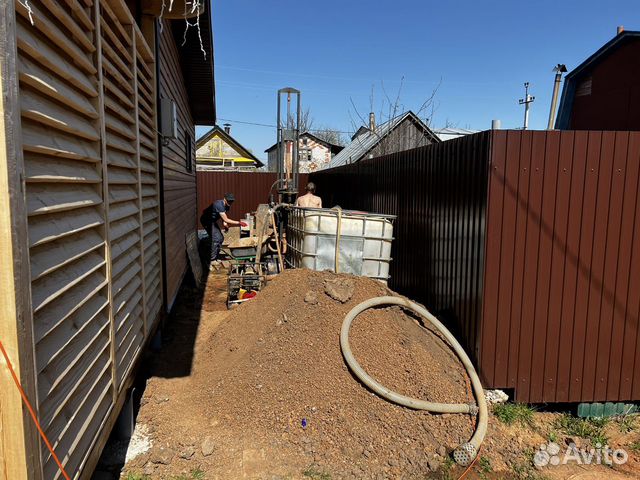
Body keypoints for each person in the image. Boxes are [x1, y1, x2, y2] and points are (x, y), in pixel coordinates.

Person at [203, 193, 246, 263]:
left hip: (212, 221)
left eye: (232, 201)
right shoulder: (218, 205)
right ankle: (212, 259)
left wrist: (225, 225)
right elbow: (226, 219)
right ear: (224, 199)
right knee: (216, 239)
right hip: (206, 221)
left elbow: (223, 218)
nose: (230, 202)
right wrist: (239, 223)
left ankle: (216, 256)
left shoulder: (227, 206)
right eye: (229, 201)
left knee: (221, 238)